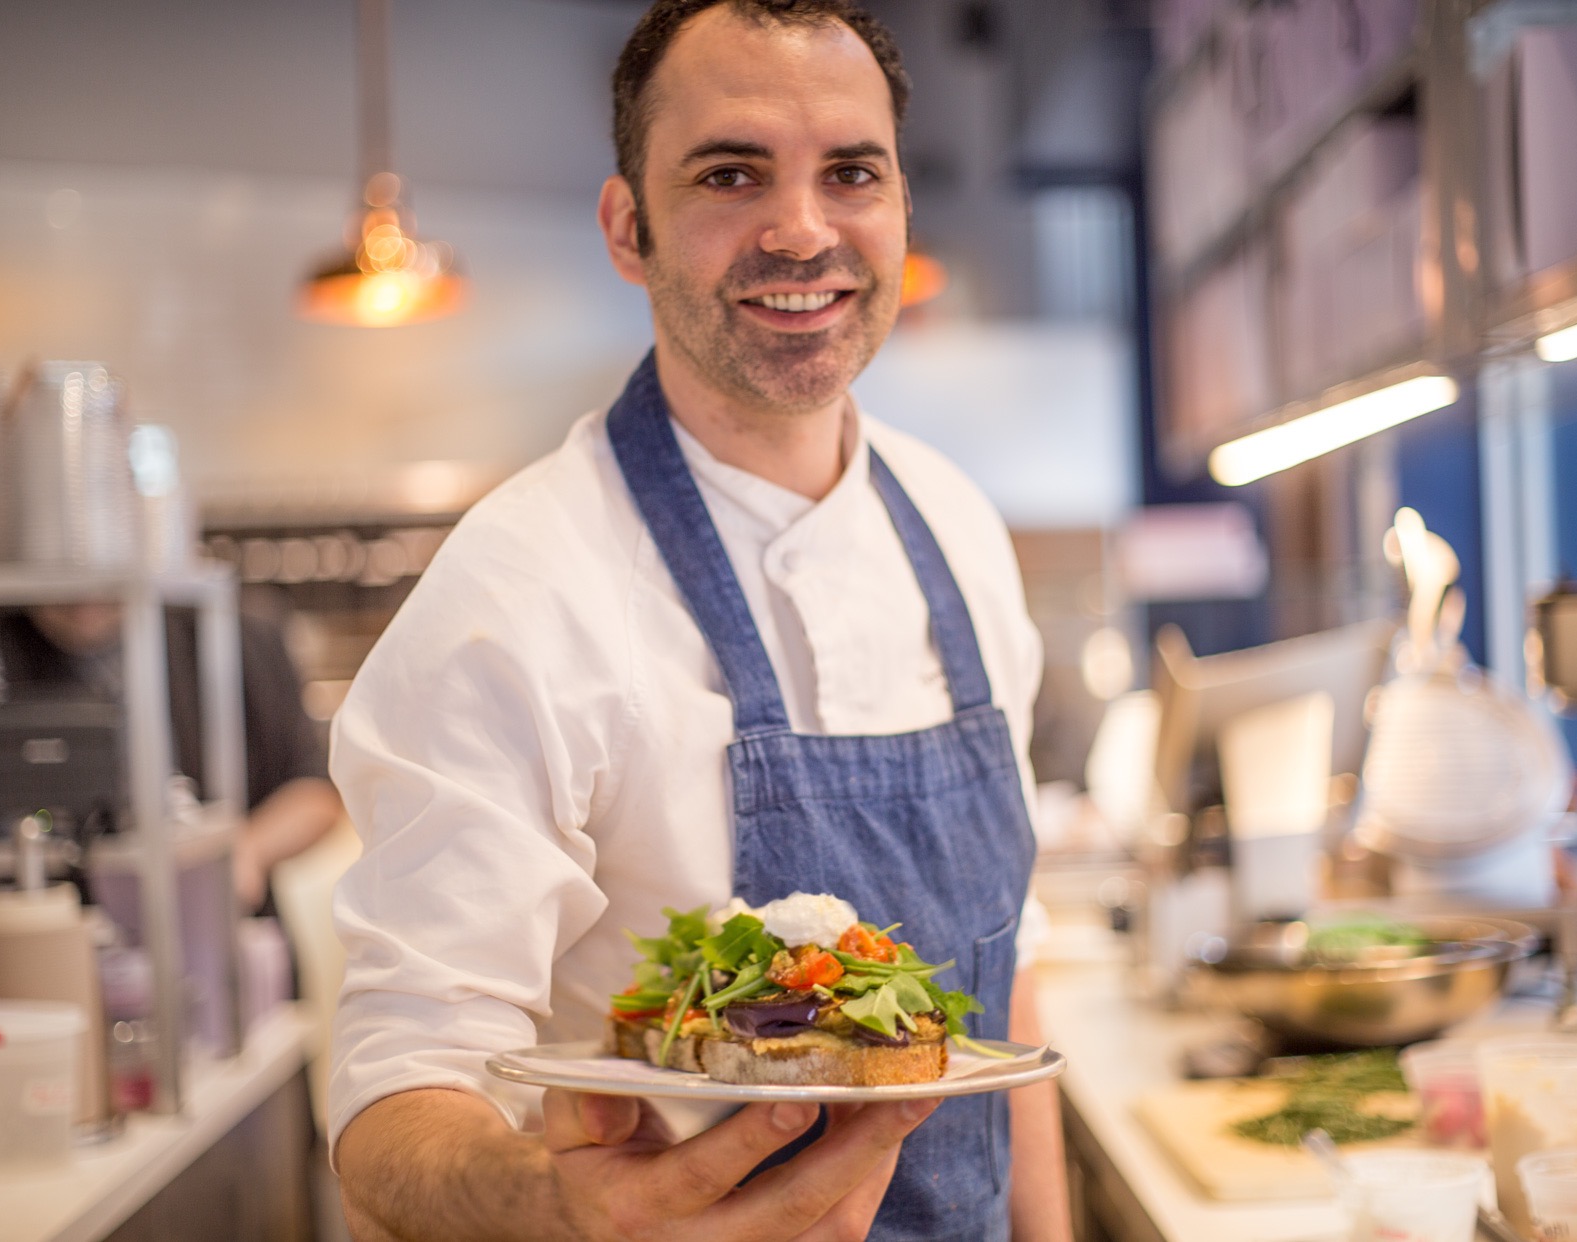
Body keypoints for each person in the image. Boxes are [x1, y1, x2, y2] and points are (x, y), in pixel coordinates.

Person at [329, 2, 1073, 1238]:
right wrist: (562, 1209)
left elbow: (1011, 987)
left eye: (852, 174)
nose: (802, 230)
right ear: (630, 228)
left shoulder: (959, 526)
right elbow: (396, 1097)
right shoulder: (518, 590)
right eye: (731, 174)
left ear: (899, 211)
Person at [0, 603, 344, 913]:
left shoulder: (235, 635)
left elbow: (315, 792)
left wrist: (247, 848)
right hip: (55, 928)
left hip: (222, 930)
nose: (85, 604)